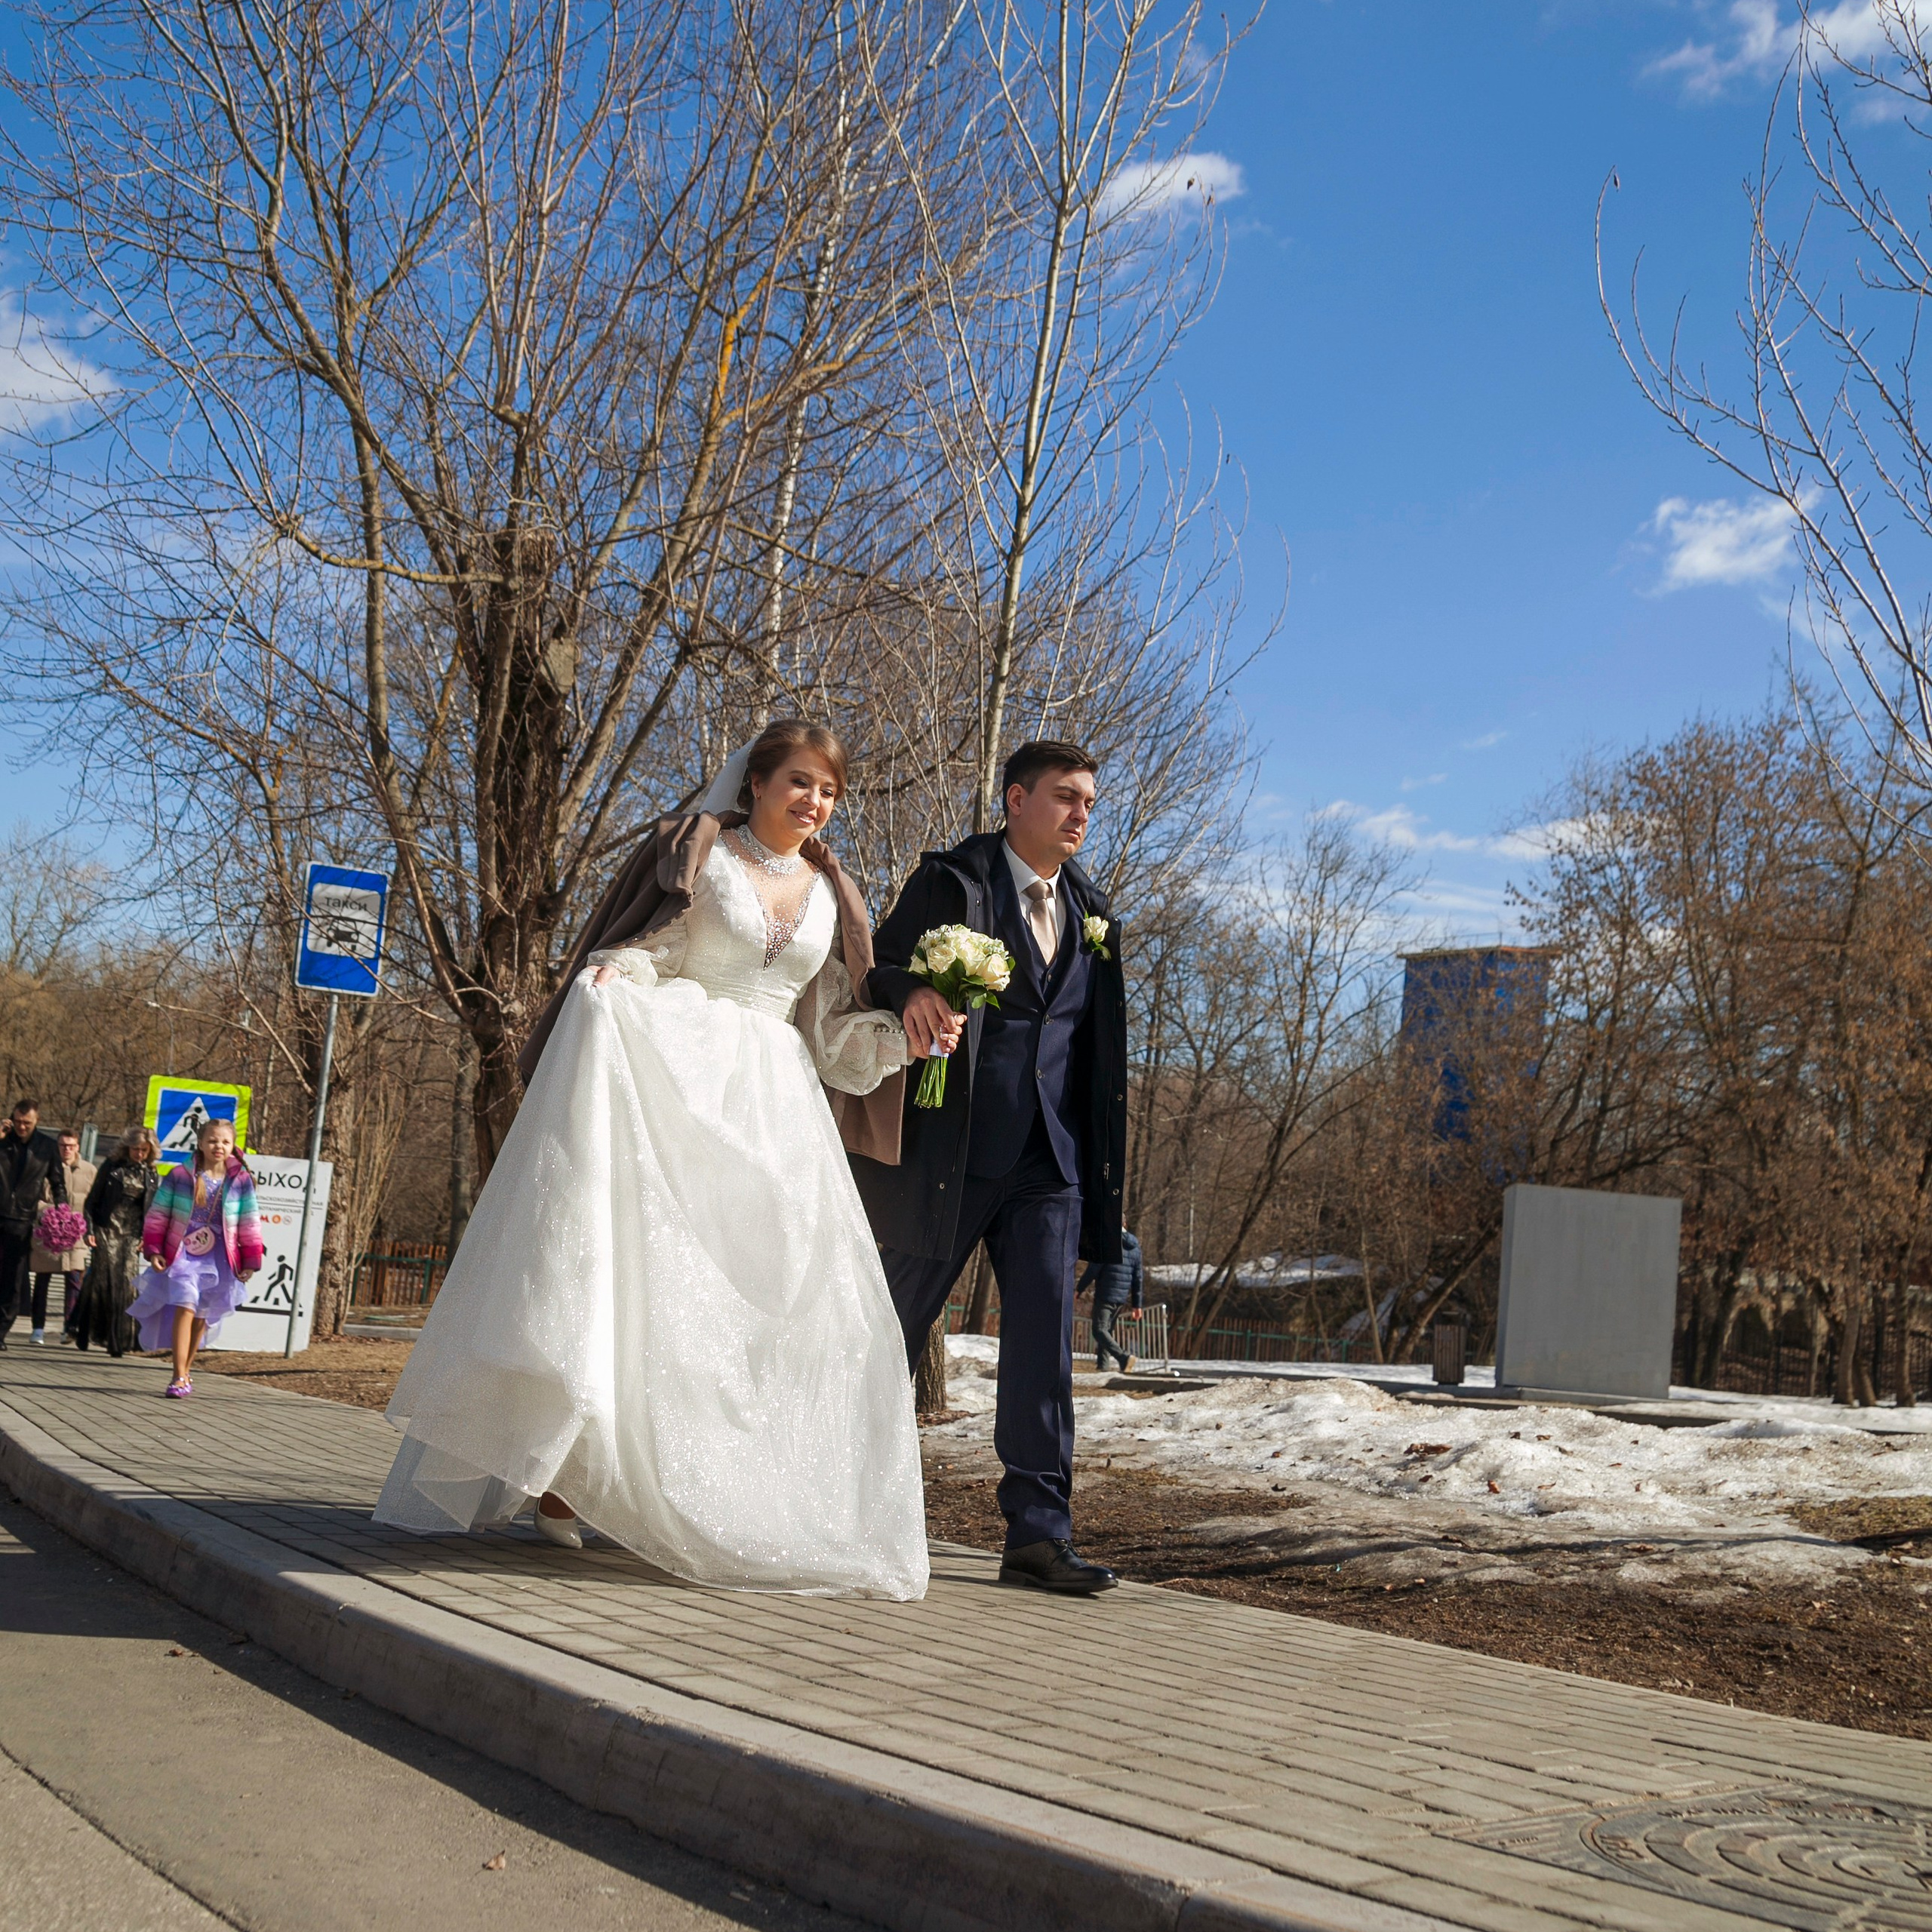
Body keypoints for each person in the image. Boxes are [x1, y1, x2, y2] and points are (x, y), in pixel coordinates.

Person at [374, 720, 930, 1601]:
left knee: (759, 1309)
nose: (813, 800)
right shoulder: (700, 855)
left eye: (827, 789)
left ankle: (705, 1487)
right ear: (754, 784)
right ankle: (564, 1484)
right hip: (678, 1084)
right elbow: (651, 951)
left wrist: (903, 1036)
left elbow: (825, 1032)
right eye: (798, 781)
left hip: (778, 1113)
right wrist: (611, 980)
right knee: (638, 1281)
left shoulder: (835, 893)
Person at [853, 740, 1128, 1596]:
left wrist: (1102, 1190)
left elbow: (1095, 1053)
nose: (1081, 813)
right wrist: (910, 993)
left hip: (1050, 1161)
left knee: (1044, 1347)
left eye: (1088, 801)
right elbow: (875, 969)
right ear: (1016, 800)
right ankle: (823, 1496)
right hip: (950, 1151)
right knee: (881, 1331)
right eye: (1065, 797)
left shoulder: (1094, 913)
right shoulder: (952, 883)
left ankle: (1039, 1533)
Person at [128, 1118, 262, 1397]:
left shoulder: (240, 1180)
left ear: (233, 1145)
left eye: (225, 1141)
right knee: (185, 1303)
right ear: (200, 1143)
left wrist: (250, 1260)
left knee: (202, 1314)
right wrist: (154, 1250)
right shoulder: (180, 1175)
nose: (219, 1146)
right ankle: (177, 1376)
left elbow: (249, 1222)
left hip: (220, 1256)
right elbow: (158, 1215)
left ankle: (186, 1371)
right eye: (212, 1140)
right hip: (183, 1252)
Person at [74, 1128, 161, 1355]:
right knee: (107, 1280)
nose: (139, 1154)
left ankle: (121, 1337)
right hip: (107, 1227)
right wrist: (90, 1229)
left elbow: (152, 1211)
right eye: (136, 1149)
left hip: (133, 1231)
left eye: (144, 1150)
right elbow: (92, 1202)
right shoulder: (111, 1167)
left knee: (127, 1280)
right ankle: (97, 1334)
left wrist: (148, 1238)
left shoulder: (152, 1173)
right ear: (127, 1147)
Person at [0, 1101, 66, 1349]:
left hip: (22, 1219)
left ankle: (1, 1331)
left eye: (27, 1123)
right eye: (17, 1121)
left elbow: (58, 1183)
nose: (21, 1127)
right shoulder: (3, 1141)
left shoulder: (46, 1147)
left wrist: (63, 1211)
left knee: (12, 1279)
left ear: (36, 1121)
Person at [27, 1128, 96, 1344]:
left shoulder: (90, 1170)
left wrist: (88, 1230)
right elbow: (32, 1197)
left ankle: (69, 1327)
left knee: (75, 1281)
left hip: (77, 1236)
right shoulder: (43, 1165)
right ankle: (38, 1328)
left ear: (78, 1147)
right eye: (62, 1146)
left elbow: (93, 1204)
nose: (66, 1150)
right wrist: (48, 1212)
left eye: (71, 1146)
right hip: (48, 1235)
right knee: (42, 1280)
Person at [1081, 1229, 1143, 1373]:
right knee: (1107, 1330)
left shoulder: (1107, 1241)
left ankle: (1124, 1358)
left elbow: (1094, 1268)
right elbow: (1138, 1278)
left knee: (1099, 1330)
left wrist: (1080, 1287)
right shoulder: (1135, 1247)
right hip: (1121, 1297)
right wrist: (1137, 1304)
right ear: (1126, 1224)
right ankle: (1103, 1365)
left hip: (1105, 1293)